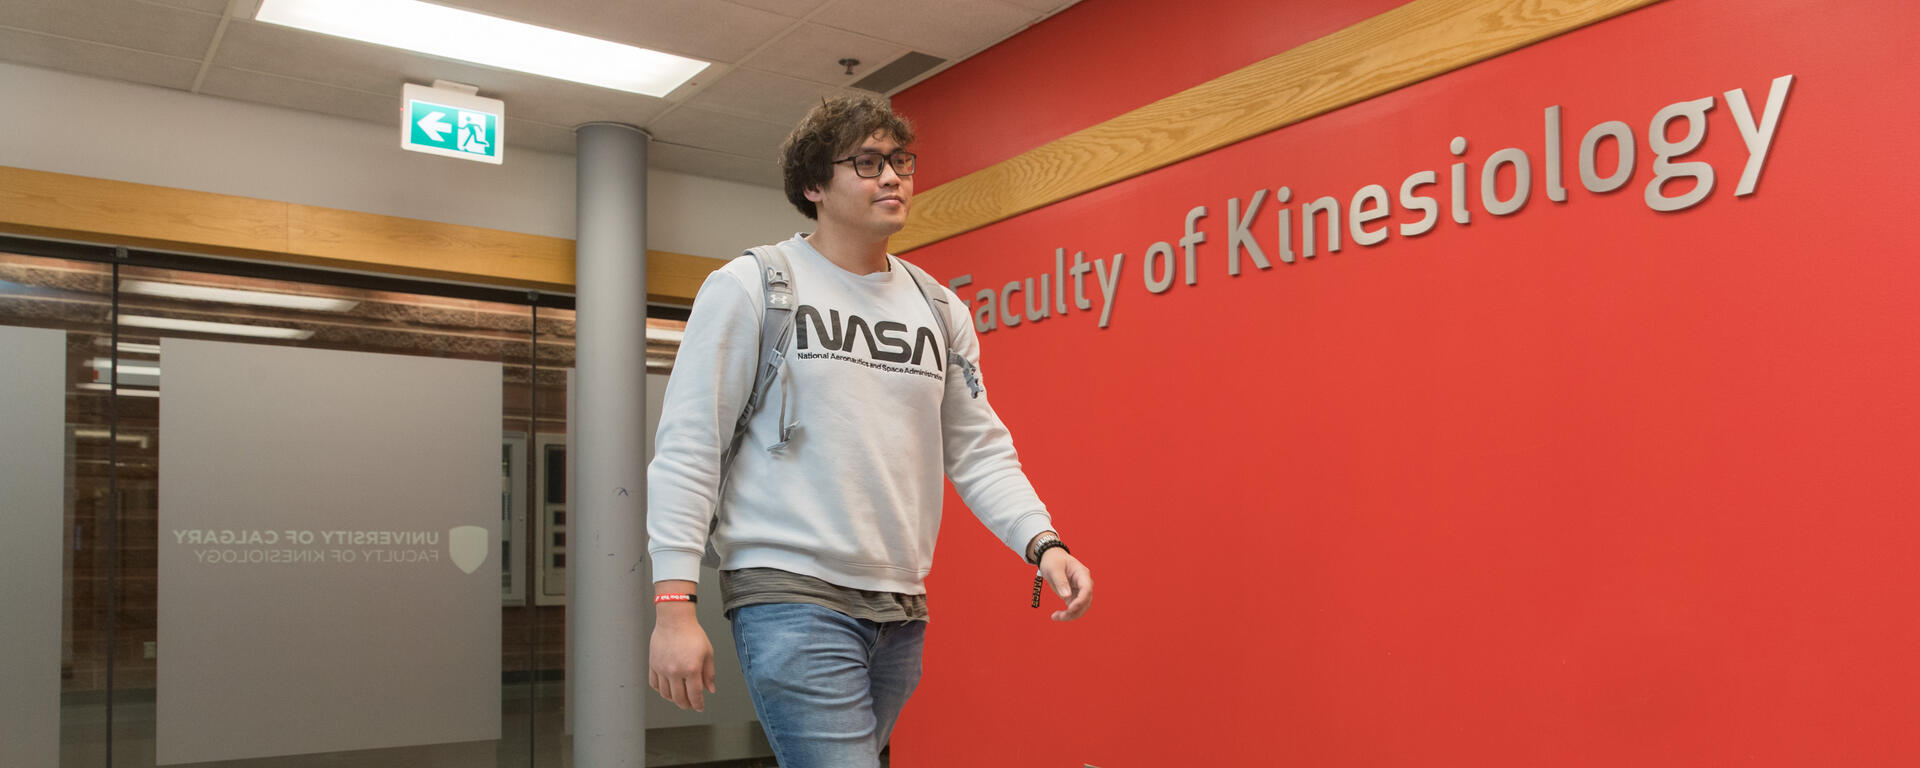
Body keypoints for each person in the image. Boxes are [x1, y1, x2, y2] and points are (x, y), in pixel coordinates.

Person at [645, 94, 1093, 767]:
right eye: (868, 162)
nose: (893, 177)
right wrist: (674, 603)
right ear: (813, 185)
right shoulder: (753, 287)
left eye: (900, 161)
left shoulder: (938, 307)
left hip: (900, 605)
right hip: (789, 594)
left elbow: (976, 447)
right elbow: (689, 447)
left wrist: (1042, 540)